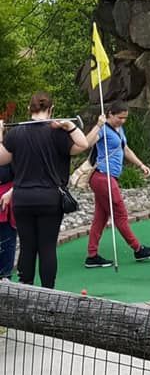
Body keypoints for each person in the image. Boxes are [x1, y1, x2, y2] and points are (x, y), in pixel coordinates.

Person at [0, 92, 88, 288]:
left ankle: (26, 287)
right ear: (51, 110)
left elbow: (1, 158)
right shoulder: (57, 133)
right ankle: (48, 292)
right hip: (50, 198)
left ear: (28, 109)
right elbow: (83, 144)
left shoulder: (16, 133)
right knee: (47, 247)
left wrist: (0, 133)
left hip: (22, 198)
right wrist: (70, 126)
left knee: (27, 246)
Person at [84, 101, 150, 267]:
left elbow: (125, 149)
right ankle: (138, 249)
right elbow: (87, 143)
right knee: (120, 214)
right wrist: (98, 125)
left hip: (109, 178)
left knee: (101, 217)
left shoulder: (119, 129)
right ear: (110, 114)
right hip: (103, 176)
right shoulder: (103, 129)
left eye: (125, 118)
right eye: (120, 118)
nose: (122, 121)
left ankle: (92, 255)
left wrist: (140, 164)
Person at [0, 163, 16, 280]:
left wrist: (11, 192)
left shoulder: (9, 147)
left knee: (7, 237)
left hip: (6, 194)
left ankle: (5, 274)